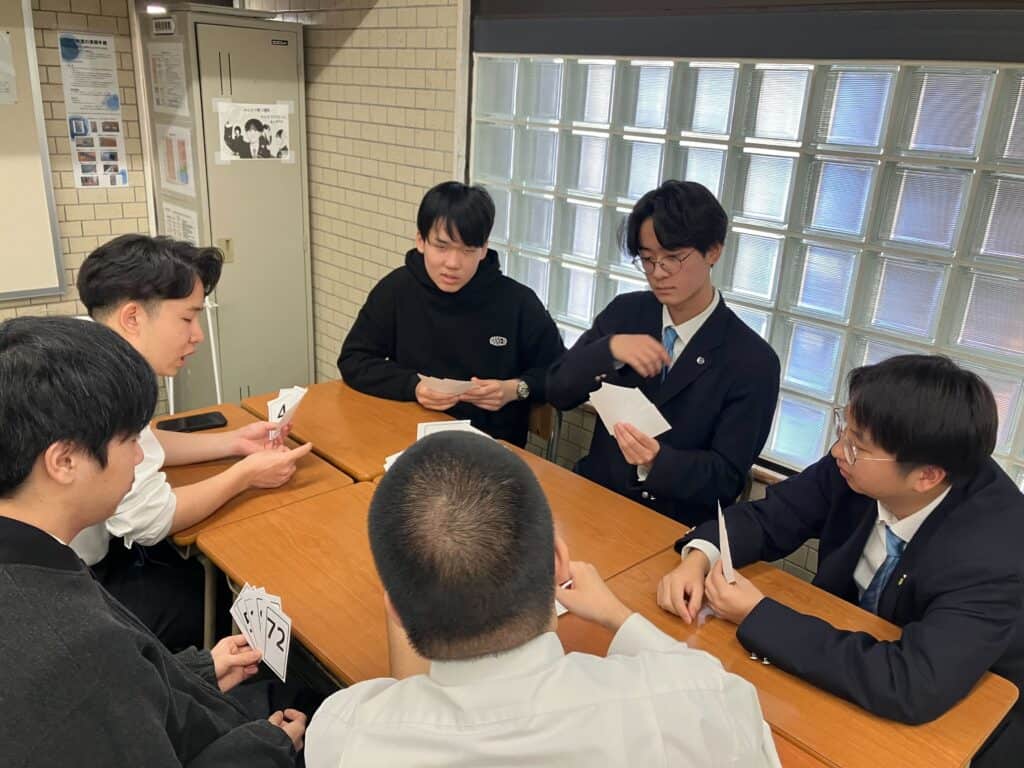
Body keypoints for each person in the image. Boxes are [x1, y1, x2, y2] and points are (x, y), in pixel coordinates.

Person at [304, 431, 781, 767]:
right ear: (558, 563)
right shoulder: (693, 704)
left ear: (394, 610)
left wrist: (413, 598)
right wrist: (618, 616)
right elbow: (712, 687)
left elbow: (402, 696)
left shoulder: (344, 731)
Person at [657, 355, 1024, 767]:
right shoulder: (855, 465)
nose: (837, 450)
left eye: (856, 445)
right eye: (843, 429)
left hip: (958, 718)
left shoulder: (996, 551)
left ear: (927, 476)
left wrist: (755, 614)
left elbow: (912, 683)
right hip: (840, 658)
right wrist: (700, 556)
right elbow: (769, 517)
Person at [0, 315, 306, 767]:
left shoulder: (36, 561)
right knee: (305, 699)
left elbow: (118, 698)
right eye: (128, 439)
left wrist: (194, 672)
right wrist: (270, 746)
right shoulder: (76, 649)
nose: (141, 455)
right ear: (63, 461)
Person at [74, 234, 313, 650]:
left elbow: (144, 443)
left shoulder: (84, 344)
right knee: (218, 599)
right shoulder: (109, 385)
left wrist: (233, 443)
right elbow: (152, 520)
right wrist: (245, 476)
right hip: (78, 583)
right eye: (187, 318)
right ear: (132, 317)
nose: (198, 335)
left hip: (71, 558)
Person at [547, 180, 780, 526]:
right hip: (596, 497)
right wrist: (608, 350)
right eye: (647, 259)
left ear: (713, 252)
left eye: (673, 258)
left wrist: (658, 462)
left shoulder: (752, 361)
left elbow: (726, 478)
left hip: (672, 522)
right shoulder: (626, 313)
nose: (658, 273)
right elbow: (557, 390)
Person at [337, 181, 565, 446]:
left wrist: (516, 389)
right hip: (408, 436)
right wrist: (413, 386)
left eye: (468, 250)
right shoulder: (397, 289)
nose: (453, 263)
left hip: (490, 447)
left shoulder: (517, 302)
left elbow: (562, 373)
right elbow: (354, 359)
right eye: (442, 247)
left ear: (483, 249)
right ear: (421, 241)